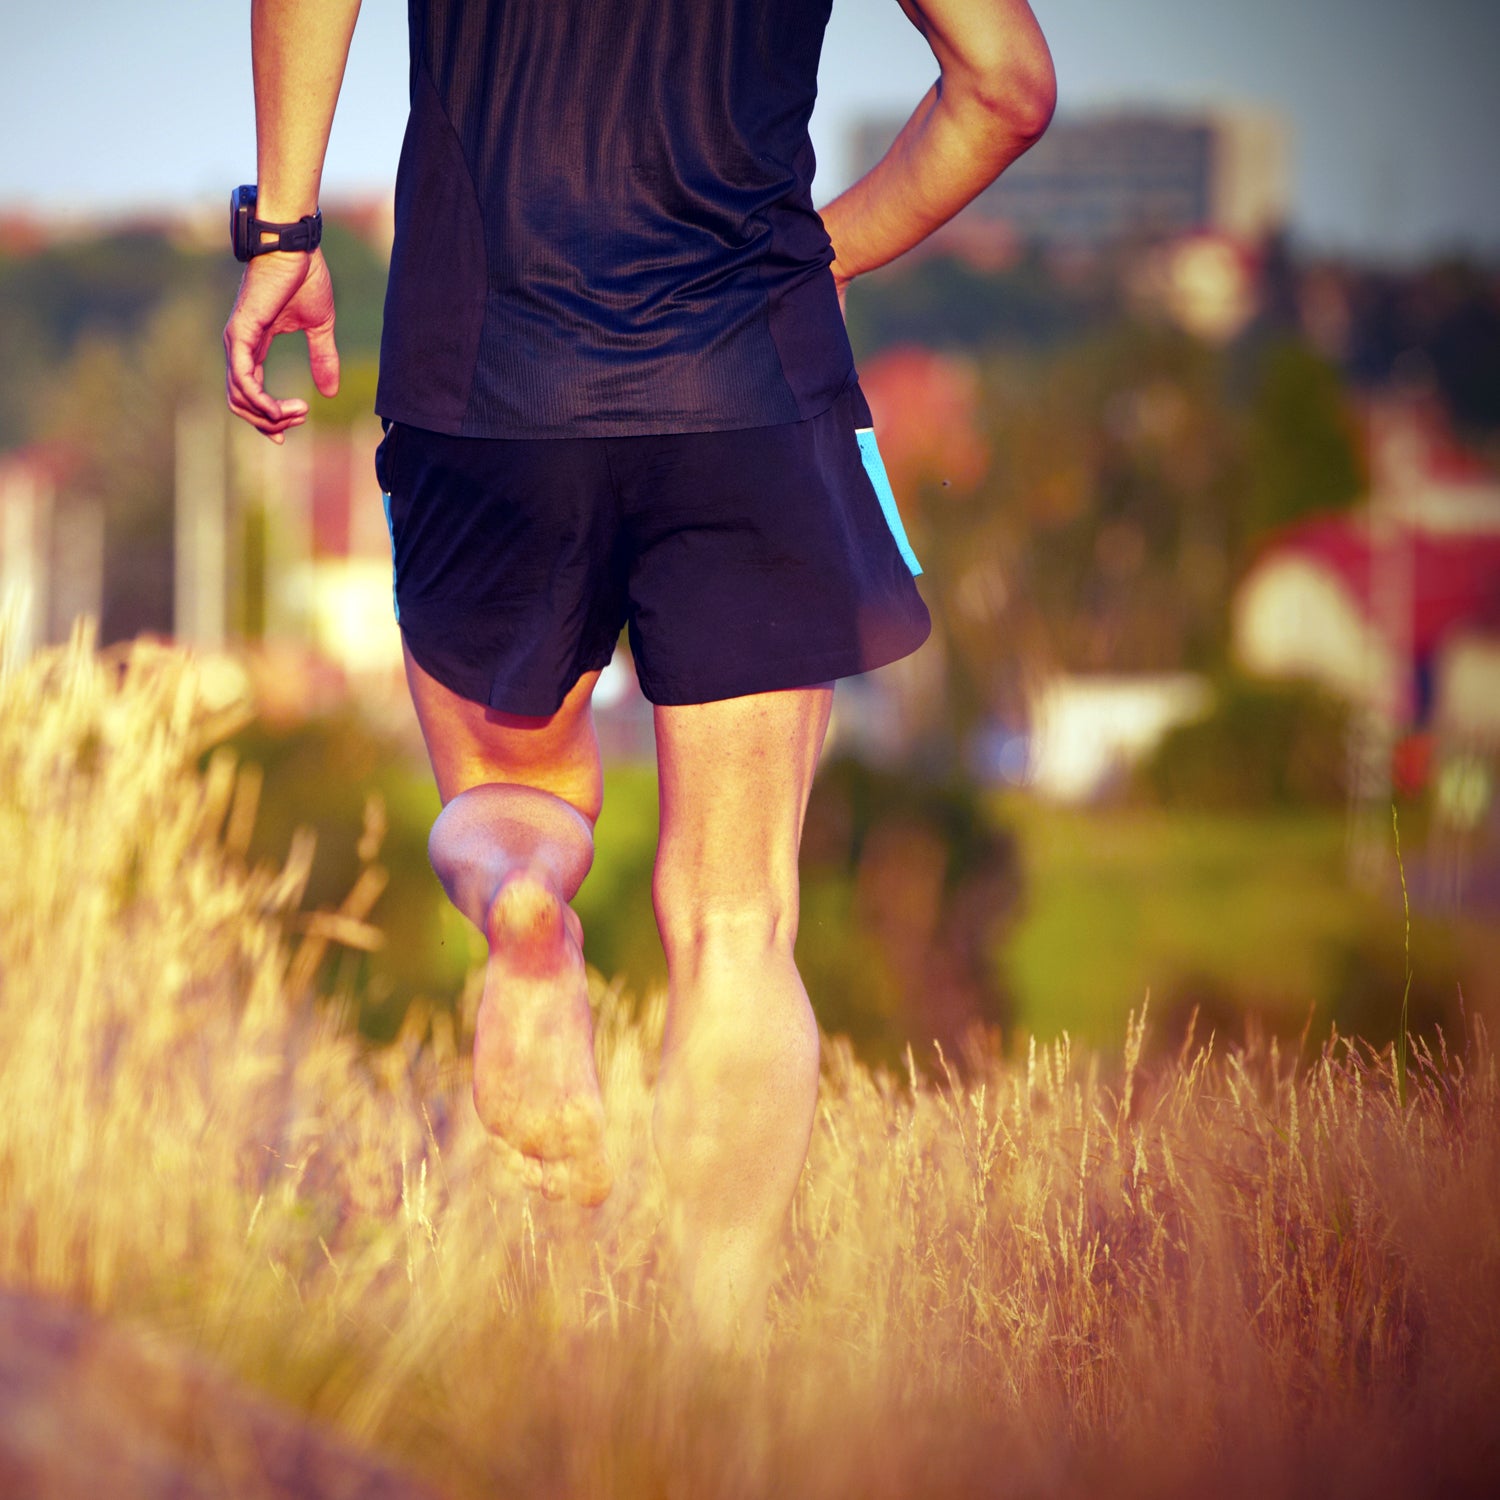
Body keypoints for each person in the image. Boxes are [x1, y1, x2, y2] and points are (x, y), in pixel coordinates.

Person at [224, 0, 1053, 1344]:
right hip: (750, 386)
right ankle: (719, 1372)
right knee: (736, 921)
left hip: (485, 384)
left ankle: (522, 911)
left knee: (512, 804)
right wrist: (818, 256)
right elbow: (1007, 87)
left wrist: (284, 232)